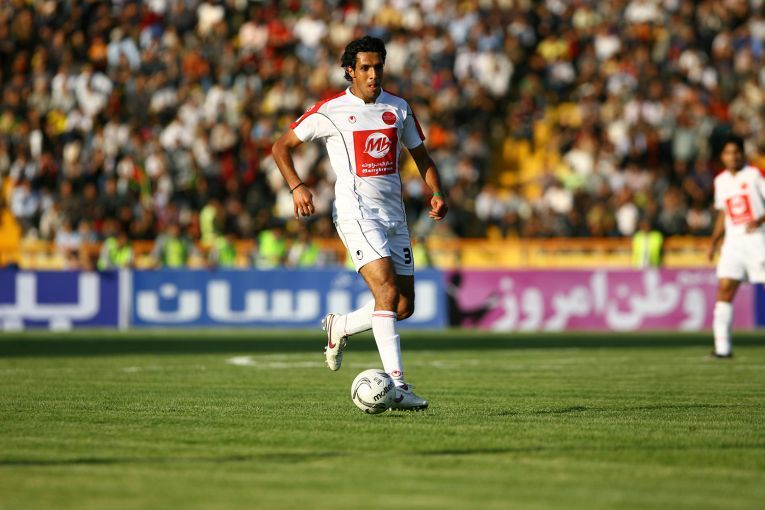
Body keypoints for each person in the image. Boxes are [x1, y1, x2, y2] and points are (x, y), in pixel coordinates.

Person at [272, 36, 448, 410]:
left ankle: (341, 326)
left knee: (403, 306)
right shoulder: (331, 110)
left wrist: (436, 191)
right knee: (386, 291)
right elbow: (281, 146)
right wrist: (297, 186)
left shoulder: (398, 108)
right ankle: (398, 387)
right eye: (365, 68)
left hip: (394, 217)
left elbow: (422, 157)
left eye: (378, 67)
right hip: (356, 214)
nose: (373, 74)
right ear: (350, 71)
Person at [707, 135, 765, 358]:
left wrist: (759, 220)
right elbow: (723, 213)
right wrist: (714, 242)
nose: (732, 156)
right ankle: (722, 347)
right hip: (733, 244)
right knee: (725, 288)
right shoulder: (720, 181)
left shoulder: (754, 175)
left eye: (736, 152)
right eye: (728, 153)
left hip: (758, 240)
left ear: (743, 154)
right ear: (722, 156)